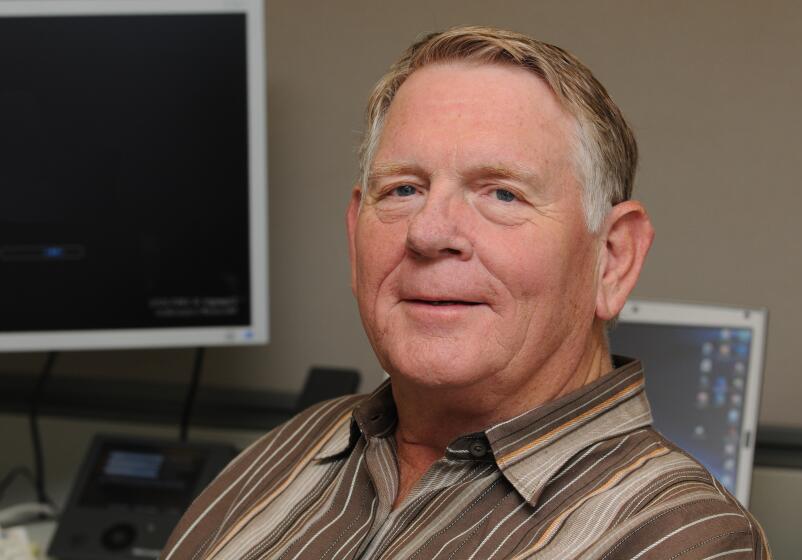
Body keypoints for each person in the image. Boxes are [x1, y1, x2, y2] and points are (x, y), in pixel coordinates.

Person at [162, 26, 771, 559]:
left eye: (501, 194)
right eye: (402, 189)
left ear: (612, 258)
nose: (428, 233)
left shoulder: (681, 540)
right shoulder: (283, 455)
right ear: (355, 239)